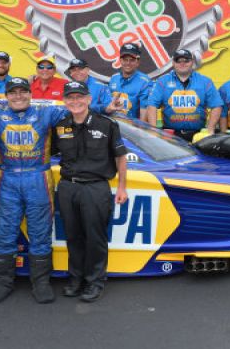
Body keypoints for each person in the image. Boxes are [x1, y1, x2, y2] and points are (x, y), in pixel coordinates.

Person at [0, 77, 68, 305]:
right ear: (6, 95)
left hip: (38, 176)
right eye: (13, 92)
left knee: (40, 231)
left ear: (30, 94)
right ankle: (2, 282)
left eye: (23, 92)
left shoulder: (46, 112)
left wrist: (107, 108)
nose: (18, 96)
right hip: (8, 177)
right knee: (3, 232)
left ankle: (41, 282)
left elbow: (77, 108)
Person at [53, 80, 128, 303]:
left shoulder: (106, 125)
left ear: (88, 99)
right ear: (65, 101)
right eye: (70, 97)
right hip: (68, 187)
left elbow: (120, 157)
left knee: (95, 237)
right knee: (73, 236)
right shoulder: (60, 126)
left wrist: (122, 187)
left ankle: (95, 282)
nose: (75, 101)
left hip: (95, 187)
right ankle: (76, 279)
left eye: (79, 97)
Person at [145, 48, 222, 142]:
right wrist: (154, 130)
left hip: (197, 135)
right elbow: (151, 105)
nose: (182, 63)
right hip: (170, 135)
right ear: (173, 63)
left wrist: (210, 130)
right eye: (178, 60)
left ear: (192, 62)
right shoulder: (162, 81)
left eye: (186, 60)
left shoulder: (205, 82)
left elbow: (217, 105)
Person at [108, 43, 151, 120]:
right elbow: (108, 104)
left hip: (131, 128)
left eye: (132, 60)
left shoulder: (145, 81)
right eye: (125, 59)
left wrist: (139, 130)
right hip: (113, 123)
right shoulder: (114, 78)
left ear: (137, 62)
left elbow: (144, 110)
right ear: (120, 60)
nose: (128, 63)